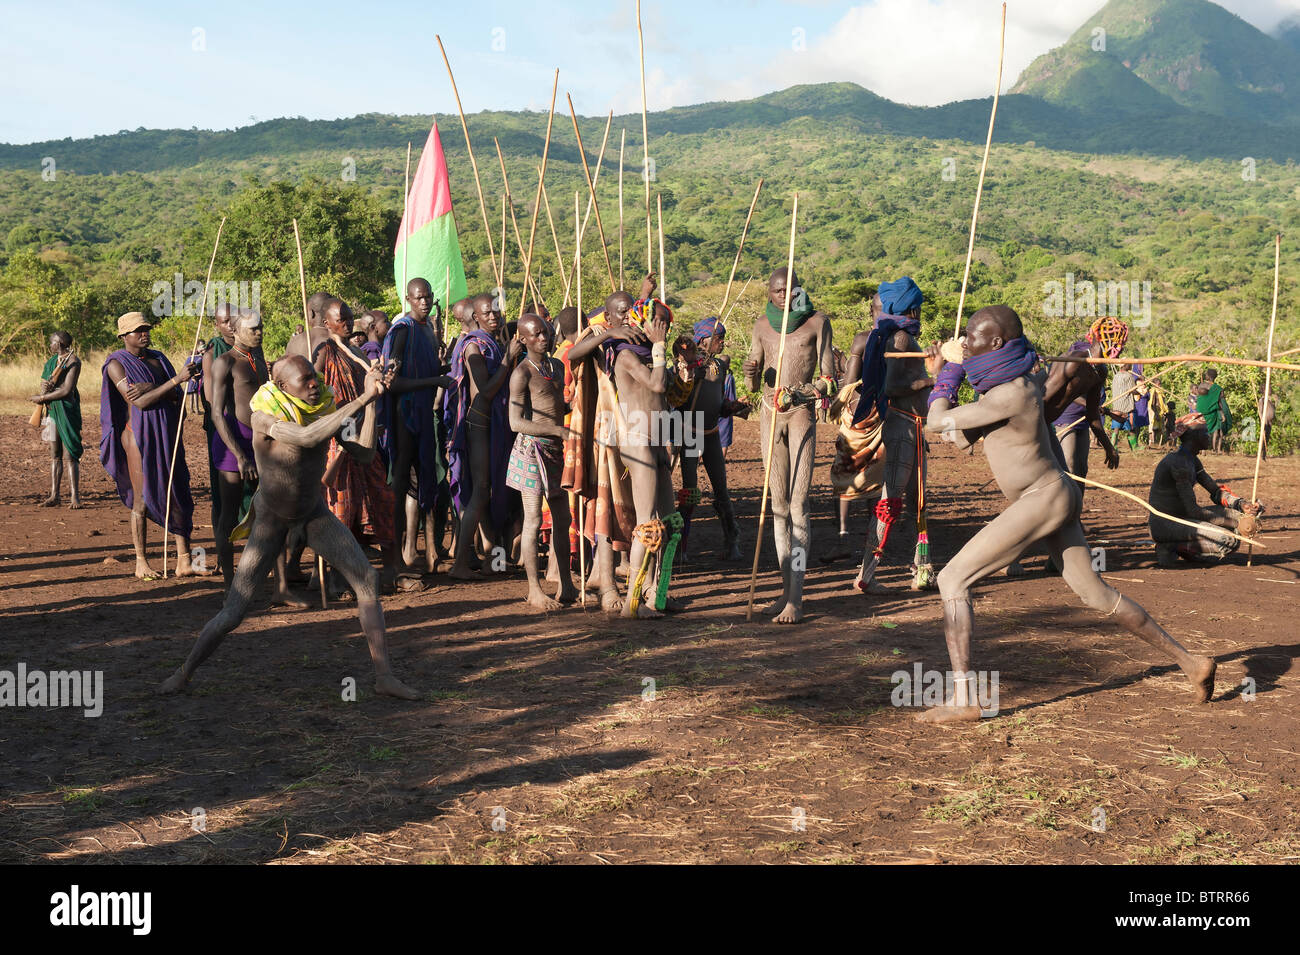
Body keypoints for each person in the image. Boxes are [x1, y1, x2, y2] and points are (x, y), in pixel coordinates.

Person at [918, 306, 1215, 722]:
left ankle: (966, 698)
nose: (966, 341)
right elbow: (960, 437)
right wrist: (953, 374)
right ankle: (1190, 662)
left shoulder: (1010, 394)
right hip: (1056, 494)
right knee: (1096, 594)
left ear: (998, 343)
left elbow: (936, 424)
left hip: (1041, 499)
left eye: (972, 336)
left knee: (951, 578)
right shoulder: (1012, 386)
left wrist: (948, 372)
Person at [160, 355, 419, 700]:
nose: (314, 384)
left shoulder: (324, 408)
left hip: (313, 514)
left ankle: (384, 676)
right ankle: (184, 672)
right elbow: (307, 437)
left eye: (314, 377)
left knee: (367, 581)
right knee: (234, 611)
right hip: (271, 520)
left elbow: (364, 454)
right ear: (282, 386)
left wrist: (373, 403)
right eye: (304, 380)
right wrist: (362, 399)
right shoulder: (264, 416)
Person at [742, 267, 836, 624]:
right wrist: (752, 376)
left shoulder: (817, 323)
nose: (784, 295)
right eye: (778, 290)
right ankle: (784, 592)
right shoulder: (761, 325)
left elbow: (830, 379)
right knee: (777, 504)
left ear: (799, 290)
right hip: (769, 413)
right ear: (769, 293)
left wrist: (803, 392)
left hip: (800, 413)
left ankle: (796, 598)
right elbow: (755, 382)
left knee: (798, 505)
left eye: (790, 289)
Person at [209, 308, 303, 604]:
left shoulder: (260, 358)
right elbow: (216, 412)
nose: (259, 333)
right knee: (229, 514)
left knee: (275, 512)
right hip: (233, 445)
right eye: (253, 329)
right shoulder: (225, 363)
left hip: (265, 442)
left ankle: (281, 586)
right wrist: (239, 454)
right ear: (235, 331)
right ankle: (230, 586)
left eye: (261, 328)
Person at [848, 279, 935, 593]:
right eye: (919, 308)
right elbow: (892, 389)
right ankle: (866, 575)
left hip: (912, 426)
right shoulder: (899, 338)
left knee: (918, 502)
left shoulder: (900, 337)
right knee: (890, 502)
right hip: (901, 427)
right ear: (911, 308)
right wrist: (929, 382)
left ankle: (922, 569)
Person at [100, 312, 201, 579]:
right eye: (137, 330)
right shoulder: (116, 364)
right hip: (138, 436)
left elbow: (178, 398)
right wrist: (173, 382)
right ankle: (141, 562)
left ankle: (184, 560)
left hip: (167, 433)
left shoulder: (159, 359)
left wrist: (154, 386)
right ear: (123, 336)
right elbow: (140, 402)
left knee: (177, 490)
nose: (144, 333)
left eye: (145, 328)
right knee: (141, 498)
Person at [314, 299, 399, 591]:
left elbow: (368, 392)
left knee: (381, 497)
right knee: (340, 505)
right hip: (339, 437)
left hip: (364, 433)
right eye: (341, 319)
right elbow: (312, 388)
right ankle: (333, 577)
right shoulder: (325, 352)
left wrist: (381, 384)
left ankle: (391, 570)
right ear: (327, 323)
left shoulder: (357, 352)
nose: (348, 323)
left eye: (350, 317)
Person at [445, 292, 519, 578]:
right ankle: (460, 563)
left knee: (497, 494)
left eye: (496, 312)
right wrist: (507, 360)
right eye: (487, 313)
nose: (493, 316)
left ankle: (495, 561)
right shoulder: (474, 347)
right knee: (480, 492)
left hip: (497, 426)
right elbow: (485, 392)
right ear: (476, 316)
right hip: (480, 425)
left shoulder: (495, 342)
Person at [382, 278, 453, 578]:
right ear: (408, 299)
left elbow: (423, 369)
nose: (424, 302)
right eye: (418, 298)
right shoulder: (402, 331)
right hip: (404, 415)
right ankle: (395, 558)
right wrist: (434, 381)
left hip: (423, 414)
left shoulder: (428, 329)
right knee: (399, 485)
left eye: (428, 297)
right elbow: (392, 381)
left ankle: (421, 550)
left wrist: (442, 369)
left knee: (423, 481)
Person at [507, 313, 577, 608]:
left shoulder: (557, 366)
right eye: (535, 334)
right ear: (523, 339)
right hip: (531, 449)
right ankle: (535, 590)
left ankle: (567, 584)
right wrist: (555, 429)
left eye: (545, 331)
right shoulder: (521, 373)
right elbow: (515, 422)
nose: (543, 337)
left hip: (555, 449)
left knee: (564, 518)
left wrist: (576, 405)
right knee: (533, 519)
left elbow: (556, 403)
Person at [1149, 412, 1261, 566]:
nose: (1209, 435)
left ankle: (1186, 550)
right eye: (1205, 432)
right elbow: (1193, 511)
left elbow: (1215, 492)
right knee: (1228, 541)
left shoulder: (1193, 461)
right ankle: (1169, 547)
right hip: (1166, 523)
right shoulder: (1178, 463)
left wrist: (1241, 505)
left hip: (1183, 518)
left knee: (1241, 517)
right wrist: (1231, 522)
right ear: (1193, 435)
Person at [675, 316, 745, 562]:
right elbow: (677, 400)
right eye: (718, 338)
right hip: (690, 435)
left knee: (721, 490)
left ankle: (731, 541)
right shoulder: (684, 366)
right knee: (690, 491)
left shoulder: (721, 366)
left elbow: (718, 405)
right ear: (703, 340)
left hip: (712, 434)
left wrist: (731, 407)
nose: (722, 343)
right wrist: (693, 371)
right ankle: (681, 547)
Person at [29, 330, 82, 508]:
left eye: (52, 342)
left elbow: (67, 390)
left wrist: (42, 398)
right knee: (55, 454)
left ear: (58, 344)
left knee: (70, 454)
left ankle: (75, 496)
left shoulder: (73, 361)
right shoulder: (51, 362)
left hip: (67, 410)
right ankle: (55, 495)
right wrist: (44, 388)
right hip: (52, 411)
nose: (50, 345)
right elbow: (45, 384)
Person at [198, 305, 237, 533]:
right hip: (222, 423)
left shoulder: (252, 348)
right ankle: (223, 548)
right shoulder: (212, 353)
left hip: (250, 423)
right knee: (222, 487)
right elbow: (211, 398)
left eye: (233, 320)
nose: (230, 325)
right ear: (217, 325)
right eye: (225, 322)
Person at [1196, 369, 1229, 453]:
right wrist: (1222, 414)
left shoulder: (1202, 385)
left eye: (1206, 374)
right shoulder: (1218, 389)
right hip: (1212, 412)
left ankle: (1203, 449)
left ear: (1208, 376)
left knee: (1202, 429)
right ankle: (1210, 449)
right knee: (1211, 430)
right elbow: (1219, 402)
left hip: (1201, 410)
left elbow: (1199, 397)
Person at [1259, 394, 1276, 460]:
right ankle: (1261, 454)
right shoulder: (1262, 400)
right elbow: (1260, 411)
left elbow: (1273, 409)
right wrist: (1262, 420)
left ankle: (1264, 455)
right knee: (1263, 438)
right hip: (1265, 421)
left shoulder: (1270, 400)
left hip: (1269, 422)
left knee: (1267, 438)